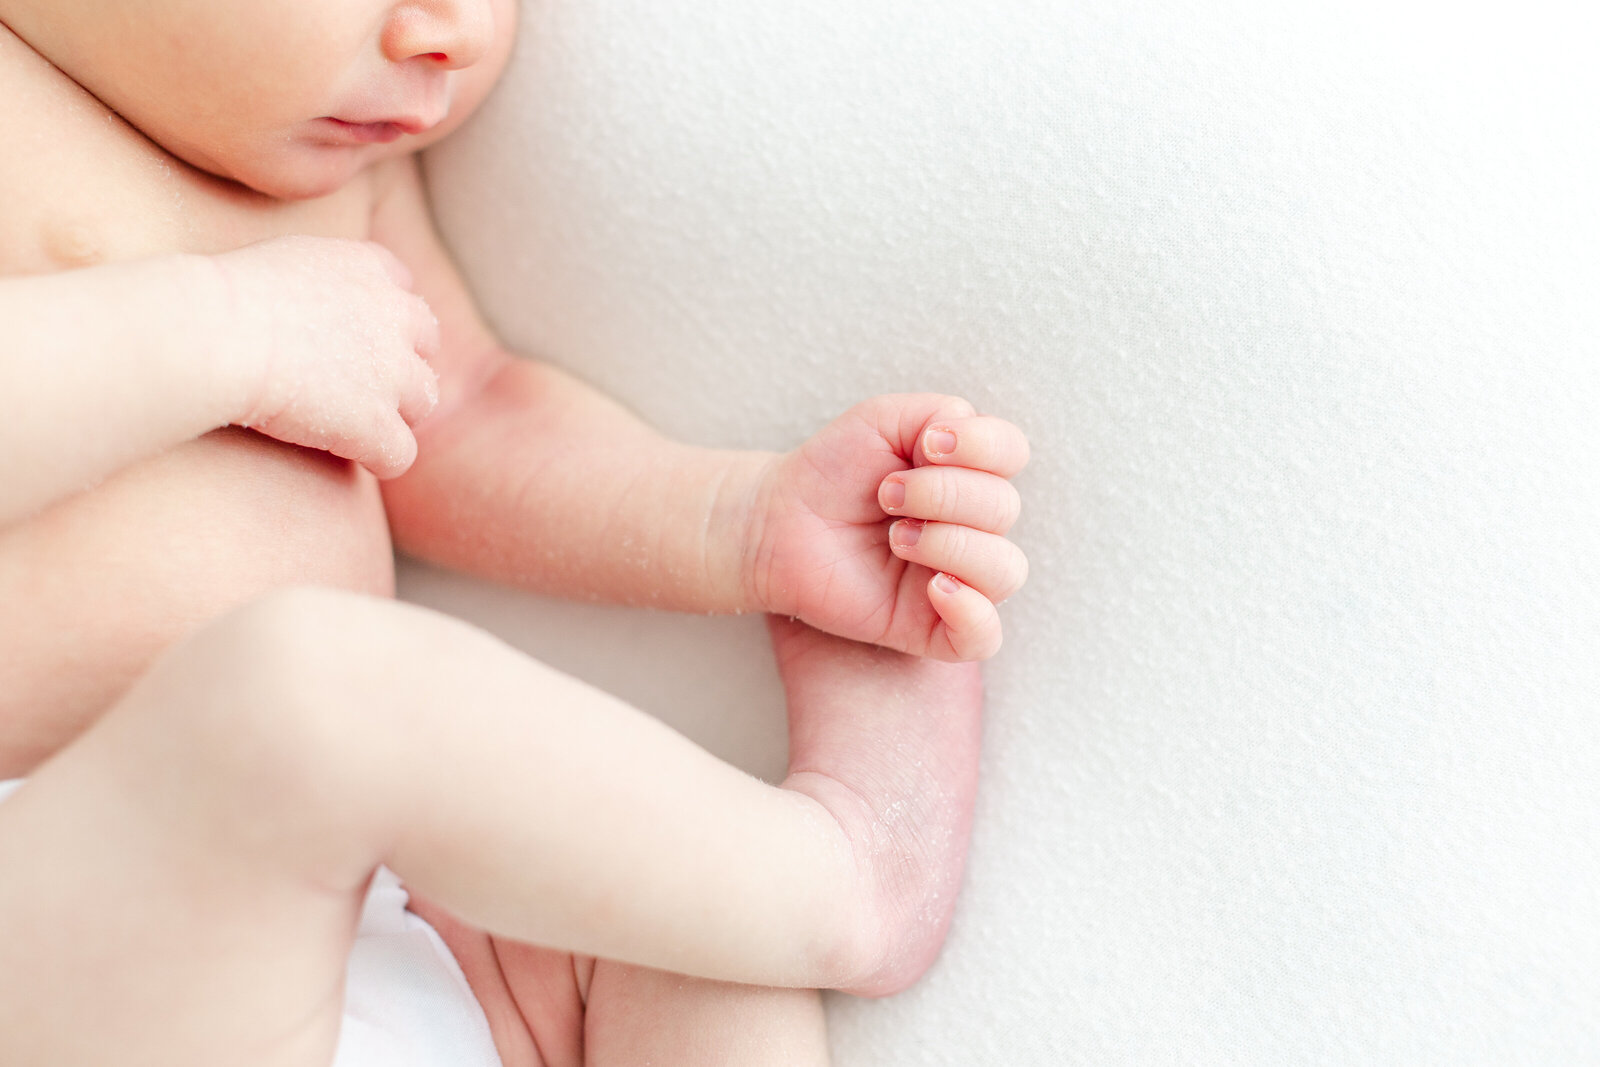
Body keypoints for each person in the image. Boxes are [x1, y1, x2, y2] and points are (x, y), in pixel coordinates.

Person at [0, 1, 1030, 1064]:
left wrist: (749, 524)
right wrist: (227, 330)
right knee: (306, 695)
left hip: (367, 934)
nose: (453, 32)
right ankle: (845, 883)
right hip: (51, 930)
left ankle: (781, 894)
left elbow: (459, 413)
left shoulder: (331, 171)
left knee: (650, 909)